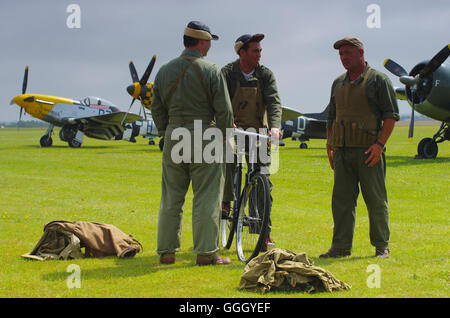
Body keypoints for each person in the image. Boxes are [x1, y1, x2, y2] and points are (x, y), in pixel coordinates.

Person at [151, 21, 234, 265]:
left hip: (174, 133)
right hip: (204, 134)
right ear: (200, 41)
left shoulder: (164, 70)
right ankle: (207, 253)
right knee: (207, 195)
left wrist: (166, 131)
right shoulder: (211, 70)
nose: (210, 46)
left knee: (171, 196)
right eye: (209, 41)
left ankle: (166, 252)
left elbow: (156, 108)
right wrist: (224, 135)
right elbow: (225, 110)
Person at [320, 36, 399, 259]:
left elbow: (391, 116)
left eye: (348, 53)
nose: (344, 58)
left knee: (375, 200)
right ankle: (340, 247)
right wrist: (330, 146)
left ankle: (382, 246)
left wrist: (380, 146)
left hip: (368, 152)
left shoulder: (378, 80)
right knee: (341, 202)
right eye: (341, 54)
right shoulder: (337, 83)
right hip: (343, 152)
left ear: (361, 53)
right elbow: (331, 117)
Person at [221, 34, 282, 249]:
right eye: (255, 50)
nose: (259, 54)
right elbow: (220, 101)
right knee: (225, 170)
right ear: (242, 52)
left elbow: (274, 101)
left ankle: (263, 232)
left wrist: (275, 126)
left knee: (262, 181)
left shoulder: (265, 75)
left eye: (260, 50)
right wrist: (226, 124)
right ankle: (225, 205)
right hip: (232, 131)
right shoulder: (227, 73)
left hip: (258, 134)